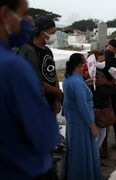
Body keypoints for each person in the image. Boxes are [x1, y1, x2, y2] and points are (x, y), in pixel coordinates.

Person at [0, 0, 59, 179]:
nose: (27, 21)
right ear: (5, 14)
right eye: (24, 13)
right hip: (23, 169)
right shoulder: (13, 66)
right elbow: (45, 136)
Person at [62, 53, 101, 179]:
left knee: (75, 152)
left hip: (73, 122)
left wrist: (85, 83)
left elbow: (68, 100)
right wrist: (92, 126)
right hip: (82, 124)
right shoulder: (77, 83)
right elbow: (82, 106)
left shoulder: (69, 78)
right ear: (79, 65)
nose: (86, 67)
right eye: (84, 64)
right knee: (82, 154)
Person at [100, 39, 116, 166]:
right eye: (108, 49)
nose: (109, 52)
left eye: (112, 51)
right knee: (103, 125)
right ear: (106, 46)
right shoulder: (99, 61)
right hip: (102, 99)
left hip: (115, 100)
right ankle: (104, 151)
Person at [32, 16, 62, 113]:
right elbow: (36, 81)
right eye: (52, 33)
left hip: (51, 101)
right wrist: (56, 91)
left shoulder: (47, 50)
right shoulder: (30, 52)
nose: (54, 36)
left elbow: (53, 74)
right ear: (42, 34)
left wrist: (56, 99)